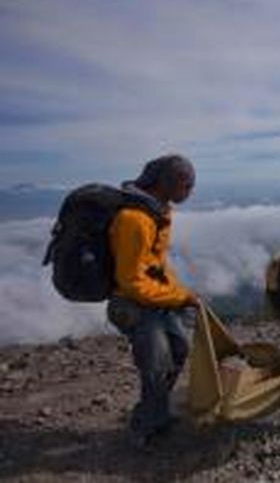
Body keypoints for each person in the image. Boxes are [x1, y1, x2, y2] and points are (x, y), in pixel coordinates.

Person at [106, 154, 201, 448]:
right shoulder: (134, 220)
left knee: (180, 348)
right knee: (157, 363)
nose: (190, 191)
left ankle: (155, 411)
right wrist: (180, 296)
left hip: (153, 300)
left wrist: (181, 294)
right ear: (168, 182)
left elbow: (155, 265)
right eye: (187, 184)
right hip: (130, 303)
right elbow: (132, 283)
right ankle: (144, 427)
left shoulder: (158, 212)